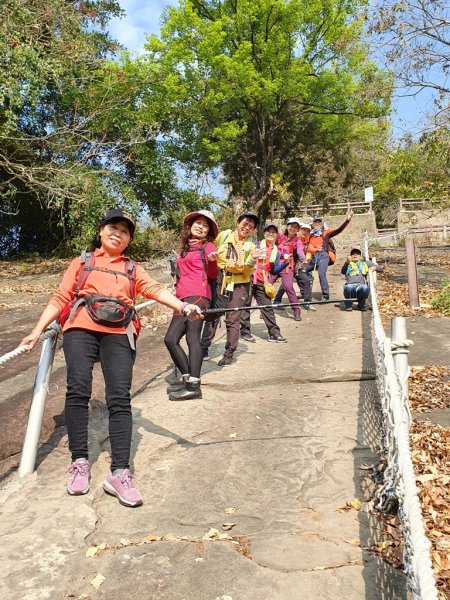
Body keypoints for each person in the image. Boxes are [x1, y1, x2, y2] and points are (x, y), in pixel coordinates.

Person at [19, 208, 202, 508]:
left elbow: (154, 290)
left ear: (129, 239)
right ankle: (79, 461)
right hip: (81, 327)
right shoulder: (83, 262)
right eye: (112, 227)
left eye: (125, 230)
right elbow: (61, 297)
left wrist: (183, 306)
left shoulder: (132, 268)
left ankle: (120, 472)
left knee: (119, 397)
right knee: (78, 389)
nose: (118, 233)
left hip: (120, 330)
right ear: (101, 231)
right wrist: (37, 330)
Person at [164, 210, 219, 401]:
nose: (200, 227)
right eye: (198, 223)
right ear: (190, 226)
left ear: (208, 231)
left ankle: (194, 385)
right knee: (170, 339)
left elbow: (212, 274)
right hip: (182, 300)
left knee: (192, 338)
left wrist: (213, 262)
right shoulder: (185, 249)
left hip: (199, 296)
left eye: (205, 225)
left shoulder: (209, 247)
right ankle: (188, 378)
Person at [200, 211, 260, 366]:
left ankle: (229, 353)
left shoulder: (251, 246)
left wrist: (252, 259)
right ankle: (203, 348)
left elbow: (247, 272)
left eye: (251, 227)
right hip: (219, 278)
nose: (247, 228)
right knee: (213, 315)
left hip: (240, 284)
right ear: (238, 222)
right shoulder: (225, 235)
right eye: (245, 223)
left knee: (233, 318)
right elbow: (210, 246)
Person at [240, 222, 288, 343]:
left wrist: (285, 263)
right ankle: (245, 332)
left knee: (267, 306)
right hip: (249, 278)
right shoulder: (255, 244)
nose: (271, 234)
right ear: (264, 233)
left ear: (276, 235)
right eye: (268, 231)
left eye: (273, 232)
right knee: (246, 305)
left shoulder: (276, 252)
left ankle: (274, 333)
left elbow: (273, 270)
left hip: (263, 280)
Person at [305, 211, 353, 301]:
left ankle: (325, 295)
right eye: (316, 222)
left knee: (321, 273)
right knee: (302, 271)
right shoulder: (310, 236)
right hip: (314, 257)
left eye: (319, 222)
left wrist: (347, 221)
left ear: (322, 223)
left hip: (324, 256)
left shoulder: (326, 233)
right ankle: (304, 292)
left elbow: (338, 230)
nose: (318, 224)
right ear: (312, 224)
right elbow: (307, 246)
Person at [272, 218, 304, 321]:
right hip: (275, 264)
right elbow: (271, 244)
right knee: (266, 284)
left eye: (296, 227)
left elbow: (300, 251)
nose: (293, 228)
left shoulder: (297, 241)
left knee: (288, 287)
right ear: (287, 226)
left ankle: (296, 310)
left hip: (287, 266)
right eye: (291, 226)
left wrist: (303, 258)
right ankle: (266, 308)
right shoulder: (280, 237)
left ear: (298, 229)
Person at [294, 223, 316, 311]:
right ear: (299, 230)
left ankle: (307, 302)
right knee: (285, 285)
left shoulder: (307, 243)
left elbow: (312, 249)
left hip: (299, 267)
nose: (305, 232)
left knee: (306, 281)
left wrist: (318, 249)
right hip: (288, 266)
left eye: (307, 231)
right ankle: (276, 301)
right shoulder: (294, 239)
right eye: (303, 229)